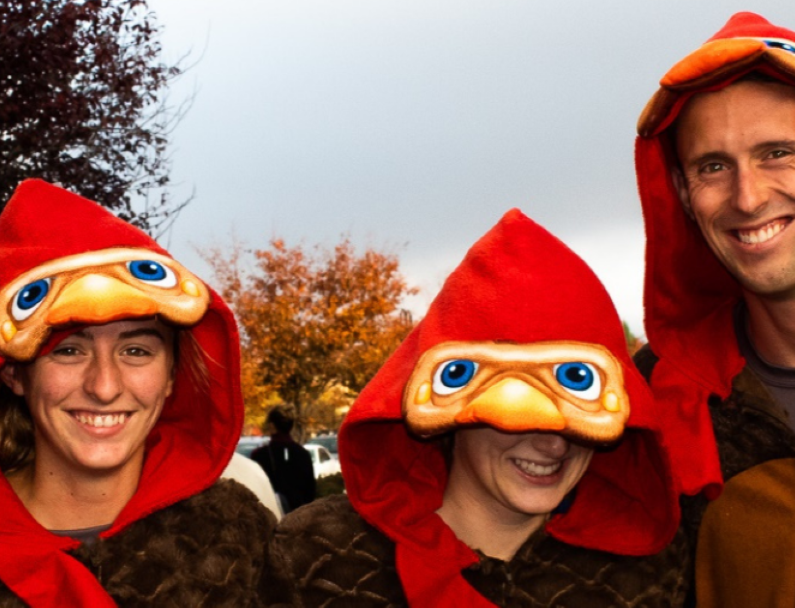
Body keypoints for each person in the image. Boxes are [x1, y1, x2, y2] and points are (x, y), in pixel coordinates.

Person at [263, 210, 687, 607]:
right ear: (453, 412)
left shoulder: (644, 578)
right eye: (520, 416)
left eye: (576, 415)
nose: (554, 445)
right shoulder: (318, 559)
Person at [0, 179, 273, 606]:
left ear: (171, 377)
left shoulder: (240, 540)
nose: (104, 387)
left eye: (136, 350)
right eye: (68, 350)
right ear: (13, 373)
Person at [634, 12, 795, 606]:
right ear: (681, 193)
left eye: (778, 152)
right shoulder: (645, 406)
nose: (748, 198)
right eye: (713, 167)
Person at [250, 405, 316, 513]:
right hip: (298, 516)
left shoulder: (259, 455)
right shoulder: (303, 454)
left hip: (269, 514)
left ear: (272, 426)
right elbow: (310, 492)